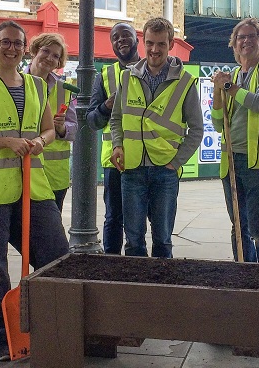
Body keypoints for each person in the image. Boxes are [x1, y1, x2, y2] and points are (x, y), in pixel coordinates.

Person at [0, 21, 69, 361]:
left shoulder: (38, 87)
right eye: (5, 42)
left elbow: (50, 129)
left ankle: (53, 326)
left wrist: (39, 141)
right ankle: (1, 338)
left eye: (18, 43)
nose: (12, 48)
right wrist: (6, 142)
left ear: (25, 48)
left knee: (57, 256)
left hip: (35, 187)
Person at [109, 17, 203, 258]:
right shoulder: (127, 77)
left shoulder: (185, 82)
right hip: (132, 169)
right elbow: (116, 118)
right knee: (133, 241)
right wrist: (118, 145)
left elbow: (197, 129)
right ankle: (135, 293)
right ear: (142, 41)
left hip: (165, 170)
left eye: (161, 44)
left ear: (171, 44)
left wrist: (176, 163)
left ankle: (162, 293)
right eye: (150, 43)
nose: (154, 49)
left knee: (162, 240)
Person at [210, 18, 259, 263]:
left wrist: (229, 87)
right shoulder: (232, 75)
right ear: (234, 45)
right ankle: (244, 276)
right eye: (241, 37)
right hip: (232, 161)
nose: (246, 41)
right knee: (238, 227)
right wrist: (217, 91)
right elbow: (217, 123)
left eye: (251, 36)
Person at [86, 22, 140, 254]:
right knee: (113, 218)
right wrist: (107, 105)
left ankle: (138, 265)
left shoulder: (151, 69)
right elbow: (92, 120)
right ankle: (111, 263)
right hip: (114, 162)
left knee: (139, 221)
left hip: (146, 157)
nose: (120, 40)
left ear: (137, 38)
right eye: (115, 38)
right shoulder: (105, 75)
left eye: (125, 35)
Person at [26, 32, 77, 211]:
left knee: (50, 232)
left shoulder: (64, 89)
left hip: (54, 176)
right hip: (22, 171)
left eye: (56, 56)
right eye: (46, 51)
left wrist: (62, 128)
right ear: (34, 51)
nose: (49, 58)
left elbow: (74, 128)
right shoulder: (14, 81)